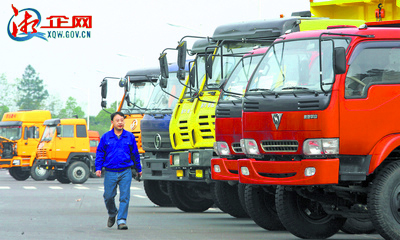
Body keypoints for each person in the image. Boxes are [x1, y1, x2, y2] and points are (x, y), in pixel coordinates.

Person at [95, 111, 142, 230]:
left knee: (124, 196)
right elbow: (100, 153)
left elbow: (135, 154)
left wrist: (138, 169)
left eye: (122, 120)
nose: (120, 123)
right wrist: (98, 168)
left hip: (125, 170)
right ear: (112, 122)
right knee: (108, 196)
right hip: (110, 171)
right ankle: (112, 213)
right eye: (117, 120)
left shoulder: (130, 137)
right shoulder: (106, 137)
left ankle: (121, 220)